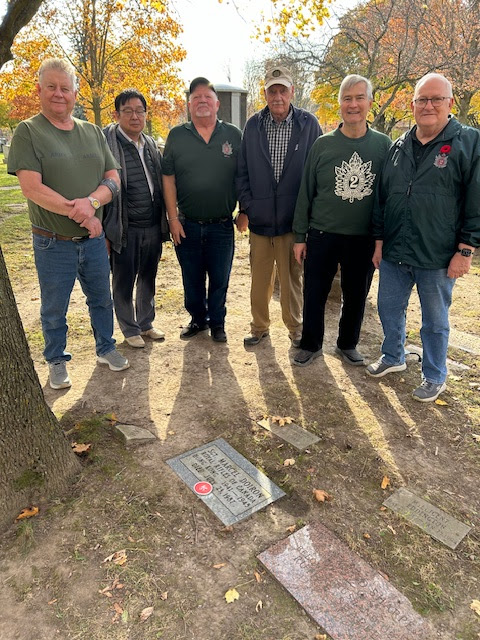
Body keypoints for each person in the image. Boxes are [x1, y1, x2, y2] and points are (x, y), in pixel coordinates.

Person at [7, 58, 129, 390]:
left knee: (102, 298)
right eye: (52, 87)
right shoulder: (28, 131)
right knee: (54, 306)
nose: (59, 94)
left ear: (75, 93)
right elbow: (32, 188)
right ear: (39, 90)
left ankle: (106, 347)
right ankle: (57, 360)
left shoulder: (92, 132)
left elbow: (113, 178)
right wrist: (83, 214)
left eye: (65, 88)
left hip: (92, 241)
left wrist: (92, 203)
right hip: (52, 241)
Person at [367, 73, 480, 402]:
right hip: (395, 250)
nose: (428, 105)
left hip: (438, 255)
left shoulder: (467, 143)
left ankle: (434, 374)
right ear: (413, 104)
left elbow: (476, 201)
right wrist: (378, 241)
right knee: (388, 308)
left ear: (450, 103)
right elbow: (382, 198)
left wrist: (466, 249)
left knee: (434, 320)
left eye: (436, 99)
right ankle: (393, 356)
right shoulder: (399, 146)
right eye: (422, 100)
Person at [292, 75, 391, 367]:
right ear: (339, 106)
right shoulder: (323, 145)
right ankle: (311, 343)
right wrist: (300, 236)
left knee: (356, 295)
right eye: (347, 98)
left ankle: (347, 344)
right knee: (314, 292)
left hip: (362, 237)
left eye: (359, 97)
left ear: (370, 103)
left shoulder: (384, 146)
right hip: (322, 234)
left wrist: (381, 239)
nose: (353, 104)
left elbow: (388, 196)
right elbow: (305, 193)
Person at [236, 66, 321, 347]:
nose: (277, 96)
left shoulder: (309, 125)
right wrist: (248, 206)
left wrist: (307, 217)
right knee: (259, 281)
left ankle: (295, 328)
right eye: (272, 91)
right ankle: (259, 327)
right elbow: (242, 170)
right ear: (265, 94)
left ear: (292, 92)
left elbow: (318, 173)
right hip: (260, 223)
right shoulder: (252, 125)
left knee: (291, 281)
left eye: (282, 90)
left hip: (292, 222)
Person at [162, 77, 241, 343]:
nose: (202, 102)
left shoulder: (233, 135)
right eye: (196, 98)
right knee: (191, 279)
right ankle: (198, 319)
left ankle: (218, 323)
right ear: (189, 104)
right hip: (188, 223)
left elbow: (243, 175)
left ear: (217, 104)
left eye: (207, 97)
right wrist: (172, 219)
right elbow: (168, 178)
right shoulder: (177, 135)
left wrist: (245, 211)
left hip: (221, 225)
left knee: (220, 278)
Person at [103, 89, 169, 348]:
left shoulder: (150, 144)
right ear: (117, 114)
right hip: (124, 226)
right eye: (127, 111)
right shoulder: (108, 144)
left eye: (139, 110)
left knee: (148, 276)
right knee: (123, 279)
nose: (134, 116)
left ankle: (146, 323)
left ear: (145, 114)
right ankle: (129, 329)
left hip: (152, 224)